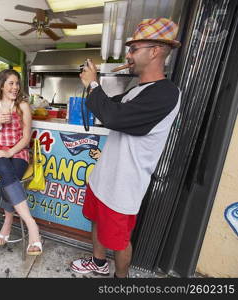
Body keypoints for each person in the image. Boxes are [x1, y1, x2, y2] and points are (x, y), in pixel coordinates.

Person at [70, 18, 182, 278]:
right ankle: (98, 264)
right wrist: (94, 87)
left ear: (155, 51)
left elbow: (114, 118)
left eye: (134, 49)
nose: (129, 55)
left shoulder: (166, 94)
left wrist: (94, 84)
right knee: (96, 220)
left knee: (120, 241)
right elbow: (108, 109)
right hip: (105, 177)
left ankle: (122, 280)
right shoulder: (137, 89)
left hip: (124, 186)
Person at [0, 69, 42, 255]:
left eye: (17, 83)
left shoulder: (23, 106)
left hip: (18, 153)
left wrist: (8, 151)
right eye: (11, 83)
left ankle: (8, 221)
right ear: (1, 85)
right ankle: (32, 225)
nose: (15, 87)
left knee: (11, 176)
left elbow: (26, 139)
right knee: (8, 174)